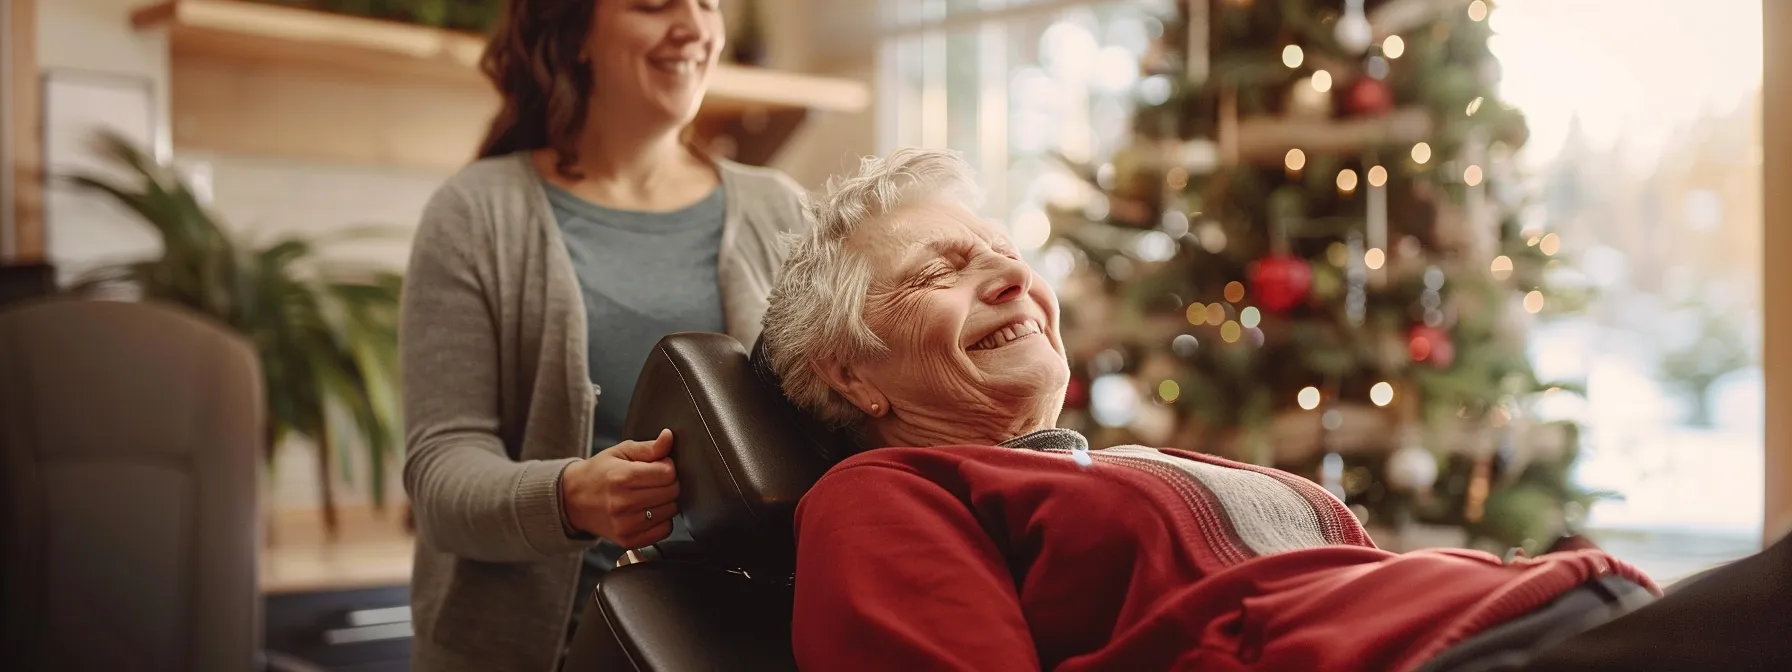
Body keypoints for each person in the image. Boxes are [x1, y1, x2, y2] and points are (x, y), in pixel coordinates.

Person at [759, 148, 1792, 672]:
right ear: (854, 374)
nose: (1006, 278)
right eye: (942, 269)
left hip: (1544, 623)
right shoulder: (882, 492)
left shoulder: (1112, 467)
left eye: (1007, 257)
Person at [398, 0, 809, 669]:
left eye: (708, 3)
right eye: (655, 4)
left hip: (741, 648)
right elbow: (440, 474)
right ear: (575, 30)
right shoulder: (476, 214)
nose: (694, 27)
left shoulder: (782, 210)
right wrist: (570, 498)